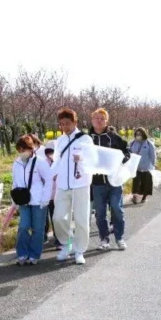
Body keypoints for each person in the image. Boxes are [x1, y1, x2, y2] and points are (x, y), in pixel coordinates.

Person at [52, 108, 97, 265]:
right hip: (63, 184)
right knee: (58, 217)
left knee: (81, 219)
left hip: (80, 184)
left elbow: (93, 160)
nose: (65, 127)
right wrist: (50, 176)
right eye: (62, 124)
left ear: (75, 122)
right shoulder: (60, 141)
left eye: (68, 123)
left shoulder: (85, 139)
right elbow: (57, 161)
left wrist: (82, 159)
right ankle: (67, 243)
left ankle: (79, 250)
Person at [88, 108, 130, 251]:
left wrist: (122, 160)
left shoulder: (113, 137)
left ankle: (119, 237)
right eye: (96, 118)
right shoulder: (87, 138)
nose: (99, 121)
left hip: (114, 180)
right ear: (92, 120)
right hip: (97, 182)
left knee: (117, 209)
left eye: (102, 118)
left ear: (107, 121)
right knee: (100, 212)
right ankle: (104, 238)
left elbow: (127, 151)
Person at [11, 135, 52, 265]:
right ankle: (22, 253)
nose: (22, 153)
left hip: (38, 200)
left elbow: (49, 180)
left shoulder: (39, 162)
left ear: (31, 148)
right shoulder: (16, 163)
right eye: (20, 150)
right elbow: (15, 182)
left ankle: (34, 254)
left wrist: (45, 198)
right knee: (23, 227)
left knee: (38, 228)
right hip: (23, 200)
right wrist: (14, 200)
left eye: (24, 150)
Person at [41, 146, 62, 249]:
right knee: (45, 218)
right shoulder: (43, 162)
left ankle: (59, 239)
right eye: (48, 153)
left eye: (52, 152)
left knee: (56, 218)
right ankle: (44, 237)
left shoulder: (59, 161)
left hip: (58, 195)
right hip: (47, 195)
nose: (50, 154)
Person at [130, 127, 156, 204]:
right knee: (136, 182)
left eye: (140, 134)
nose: (138, 136)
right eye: (137, 134)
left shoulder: (148, 144)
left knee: (146, 182)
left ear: (143, 134)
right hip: (136, 167)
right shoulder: (133, 143)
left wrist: (153, 164)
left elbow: (152, 155)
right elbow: (129, 152)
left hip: (146, 167)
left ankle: (144, 196)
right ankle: (135, 196)